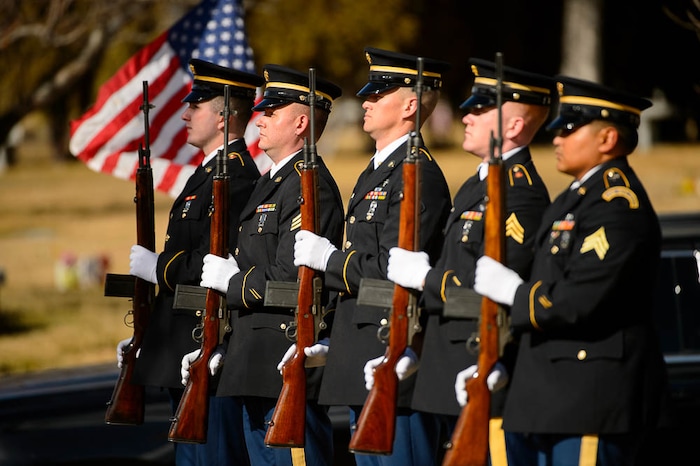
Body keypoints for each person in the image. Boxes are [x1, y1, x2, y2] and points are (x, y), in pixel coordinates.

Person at [470, 76, 670, 466]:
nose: (557, 139)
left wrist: (515, 293)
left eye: (569, 129)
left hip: (590, 397)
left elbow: (579, 298)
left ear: (608, 138)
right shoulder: (576, 198)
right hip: (556, 397)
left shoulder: (617, 205)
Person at [385, 58, 554, 464]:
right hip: (448, 370)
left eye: (481, 109)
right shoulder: (474, 186)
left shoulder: (521, 195)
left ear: (513, 127)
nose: (467, 114)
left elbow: (492, 295)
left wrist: (427, 278)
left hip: (483, 368)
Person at [292, 47, 452, 466]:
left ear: (410, 105)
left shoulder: (419, 176)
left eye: (377, 96)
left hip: (393, 351)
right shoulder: (378, 170)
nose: (365, 101)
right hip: (361, 349)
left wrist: (329, 259)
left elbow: (391, 271)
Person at [196, 64, 345, 466]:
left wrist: (234, 281)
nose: (259, 119)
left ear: (300, 123)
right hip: (253, 360)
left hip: (281, 359)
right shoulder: (272, 182)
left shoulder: (309, 187)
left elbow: (293, 280)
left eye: (272, 112)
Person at [120, 58, 263, 465]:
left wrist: (158, 267)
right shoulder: (204, 175)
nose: (184, 113)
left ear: (223, 118)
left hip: (204, 346)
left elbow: (210, 261)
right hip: (180, 347)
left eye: (196, 106)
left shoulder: (236, 179)